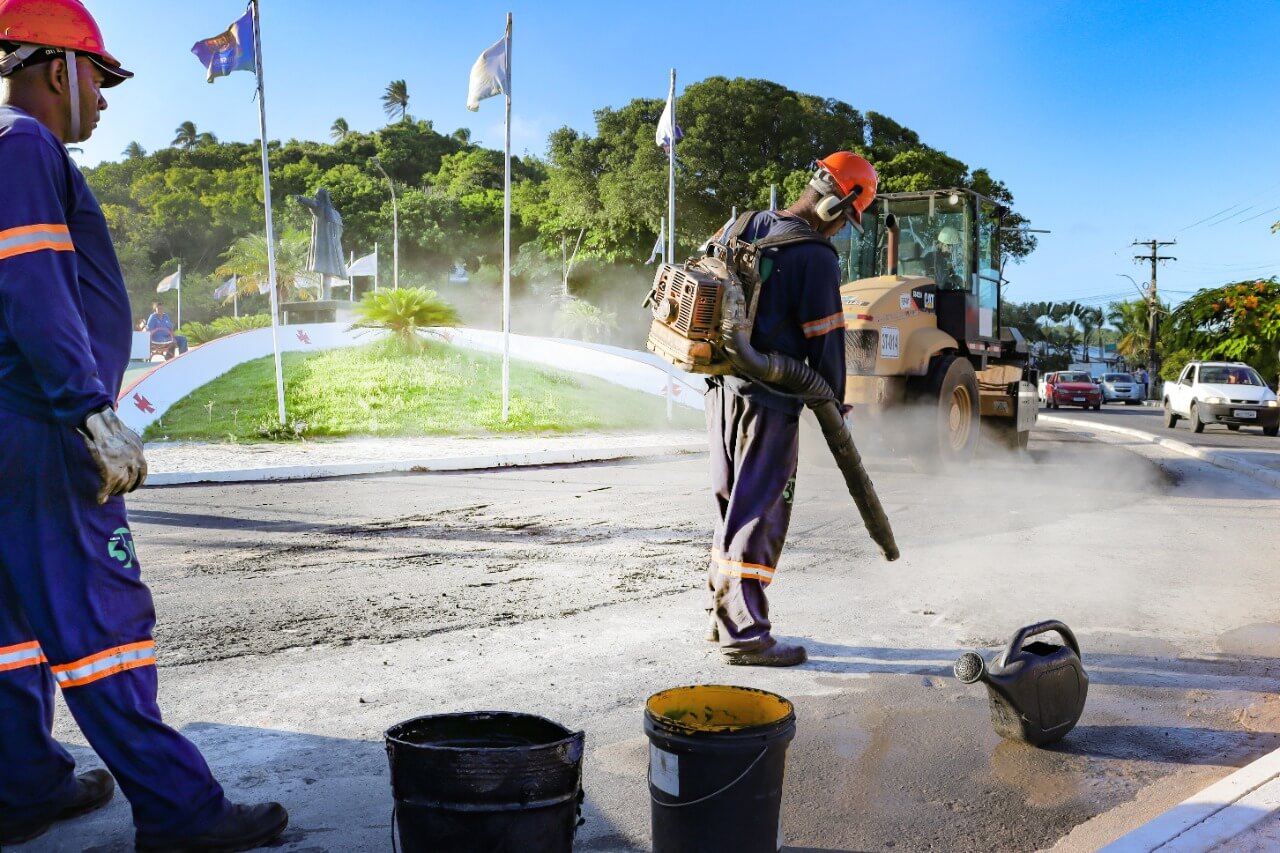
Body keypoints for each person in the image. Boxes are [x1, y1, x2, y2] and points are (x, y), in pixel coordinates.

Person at [0, 2, 287, 849]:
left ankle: (22, 785)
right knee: (104, 625)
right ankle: (181, 812)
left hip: (9, 426)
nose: (107, 97)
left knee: (11, 625)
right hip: (39, 428)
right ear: (60, 68)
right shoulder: (23, 144)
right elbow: (32, 285)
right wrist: (85, 406)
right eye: (102, 76)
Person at [704, 151, 878, 666]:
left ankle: (722, 618)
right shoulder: (817, 257)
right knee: (760, 513)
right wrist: (834, 401)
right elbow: (826, 337)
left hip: (720, 391)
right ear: (835, 204)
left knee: (729, 506)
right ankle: (747, 636)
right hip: (768, 402)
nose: (844, 228)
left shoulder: (748, 222)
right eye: (848, 217)